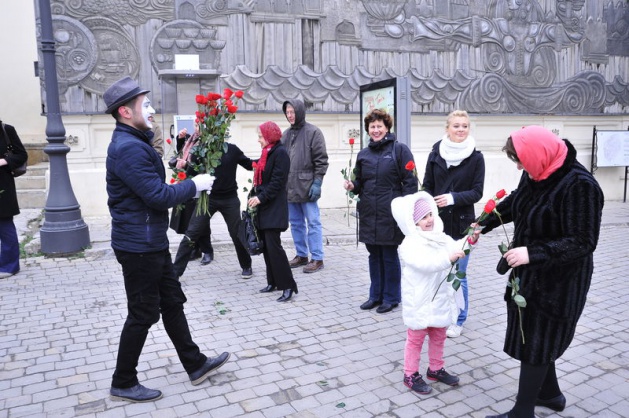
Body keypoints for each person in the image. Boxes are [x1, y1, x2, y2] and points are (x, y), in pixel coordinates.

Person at [103, 76, 230, 402]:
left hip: (150, 242)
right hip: (138, 247)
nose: (152, 109)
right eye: (144, 104)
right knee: (143, 313)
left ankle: (195, 364)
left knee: (172, 302)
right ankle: (123, 380)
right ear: (125, 112)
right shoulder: (128, 148)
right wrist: (195, 185)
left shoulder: (136, 140)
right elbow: (157, 196)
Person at [479, 126, 604, 418]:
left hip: (560, 281)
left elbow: (583, 241)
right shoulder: (537, 170)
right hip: (530, 273)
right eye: (517, 161)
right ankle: (551, 395)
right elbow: (517, 201)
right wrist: (485, 221)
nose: (520, 167)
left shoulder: (580, 185)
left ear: (539, 154)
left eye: (521, 160)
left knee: (538, 339)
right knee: (535, 337)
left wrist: (532, 253)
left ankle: (522, 413)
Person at [391, 191, 480, 394]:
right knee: (416, 338)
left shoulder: (441, 237)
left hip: (439, 297)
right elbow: (425, 264)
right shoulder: (409, 244)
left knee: (439, 334)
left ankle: (436, 368)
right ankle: (410, 373)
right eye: (423, 217)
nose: (429, 220)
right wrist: (447, 259)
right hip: (420, 299)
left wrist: (469, 240)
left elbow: (457, 247)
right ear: (413, 222)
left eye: (430, 214)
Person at [343, 109, 418, 314]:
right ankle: (375, 295)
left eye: (379, 126)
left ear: (387, 128)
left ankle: (391, 297)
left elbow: (410, 183)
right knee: (373, 255)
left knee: (388, 254)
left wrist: (406, 210)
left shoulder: (399, 150)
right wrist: (353, 185)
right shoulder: (363, 154)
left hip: (390, 213)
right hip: (369, 212)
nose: (376, 130)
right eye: (372, 126)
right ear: (368, 129)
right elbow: (361, 182)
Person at [422, 110, 485, 338]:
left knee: (459, 273)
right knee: (438, 270)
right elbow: (427, 185)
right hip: (437, 224)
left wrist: (453, 198)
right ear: (447, 128)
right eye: (456, 126)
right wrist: (425, 210)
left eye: (465, 126)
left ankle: (458, 319)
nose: (461, 130)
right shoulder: (435, 154)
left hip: (462, 225)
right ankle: (440, 312)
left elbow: (477, 192)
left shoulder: (476, 157)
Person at [171, 124, 254, 279]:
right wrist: (184, 166)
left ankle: (246, 265)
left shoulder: (232, 150)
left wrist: (268, 157)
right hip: (208, 199)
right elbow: (190, 172)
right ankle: (174, 274)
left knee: (236, 234)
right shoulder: (202, 152)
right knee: (191, 234)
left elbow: (250, 165)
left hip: (230, 199)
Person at [248, 121, 298, 302]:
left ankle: (288, 285)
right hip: (264, 207)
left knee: (274, 248)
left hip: (274, 207)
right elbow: (261, 175)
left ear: (269, 136)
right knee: (267, 248)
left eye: (261, 136)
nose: (259, 140)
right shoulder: (267, 152)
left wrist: (261, 197)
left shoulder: (281, 154)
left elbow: (277, 182)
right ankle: (273, 282)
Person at [281, 99, 329, 273]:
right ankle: (301, 255)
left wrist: (317, 182)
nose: (290, 115)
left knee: (313, 223)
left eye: (292, 111)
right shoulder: (285, 135)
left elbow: (321, 160)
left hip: (308, 187)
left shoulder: (313, 132)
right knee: (295, 223)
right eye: (287, 112)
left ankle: (317, 258)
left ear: (300, 111)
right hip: (290, 187)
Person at [0, 120, 28, 279]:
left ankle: (9, 266)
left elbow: (21, 154)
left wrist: (3, 161)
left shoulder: (6, 130)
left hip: (2, 186)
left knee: (4, 226)